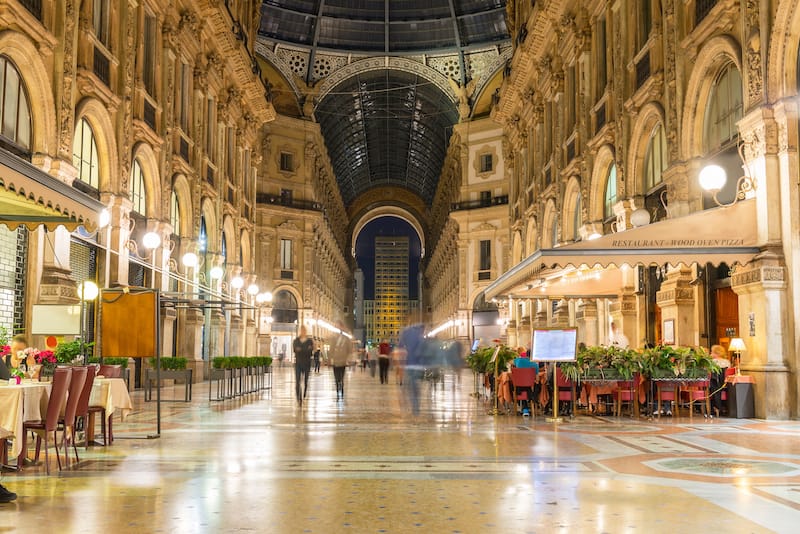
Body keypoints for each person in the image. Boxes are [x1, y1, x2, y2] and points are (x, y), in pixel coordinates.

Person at [399, 320, 425, 416]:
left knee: (411, 386)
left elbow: (401, 346)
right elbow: (422, 351)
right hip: (418, 365)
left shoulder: (406, 332)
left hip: (409, 364)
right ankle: (416, 407)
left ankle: (413, 404)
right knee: (416, 387)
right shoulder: (420, 337)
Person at [292, 325, 313, 406]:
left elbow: (310, 352)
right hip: (298, 363)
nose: (303, 331)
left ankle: (304, 394)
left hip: (307, 363)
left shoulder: (309, 341)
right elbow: (295, 350)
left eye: (304, 330)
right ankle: (299, 398)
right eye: (301, 330)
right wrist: (305, 349)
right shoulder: (296, 340)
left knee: (306, 381)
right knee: (297, 381)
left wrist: (300, 349)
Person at [709, 344, 731, 418]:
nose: (710, 354)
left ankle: (714, 408)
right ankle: (722, 407)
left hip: (715, 385)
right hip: (725, 385)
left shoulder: (713, 362)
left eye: (712, 352)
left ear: (716, 353)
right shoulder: (727, 362)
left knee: (711, 385)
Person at [329, 321, 350, 399]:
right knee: (337, 377)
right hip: (336, 361)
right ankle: (338, 388)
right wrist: (330, 359)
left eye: (338, 326)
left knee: (340, 377)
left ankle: (340, 387)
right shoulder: (334, 338)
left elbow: (349, 349)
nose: (337, 328)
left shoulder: (346, 338)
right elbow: (331, 349)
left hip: (342, 361)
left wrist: (347, 357)